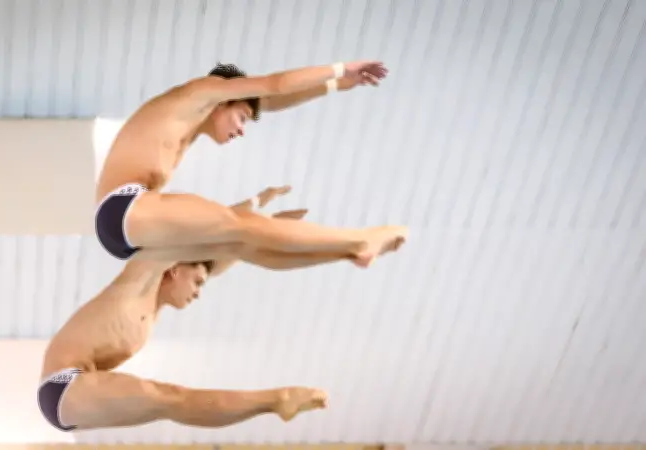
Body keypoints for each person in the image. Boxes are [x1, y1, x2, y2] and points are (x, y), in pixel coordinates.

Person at [38, 186, 404, 432]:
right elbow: (209, 235)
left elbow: (225, 254)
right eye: (197, 281)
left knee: (172, 400)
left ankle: (349, 249)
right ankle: (275, 400)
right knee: (170, 398)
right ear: (174, 269)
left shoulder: (153, 305)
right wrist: (250, 212)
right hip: (65, 385)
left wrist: (267, 231)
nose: (199, 292)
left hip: (72, 393)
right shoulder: (138, 279)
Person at [95, 60, 408, 269]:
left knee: (238, 245)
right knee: (238, 223)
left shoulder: (189, 124)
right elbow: (274, 86)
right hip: (122, 208)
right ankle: (358, 239)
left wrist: (336, 86)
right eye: (242, 117)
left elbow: (270, 101)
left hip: (129, 230)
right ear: (223, 101)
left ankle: (348, 251)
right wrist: (340, 68)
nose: (242, 129)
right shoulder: (199, 92)